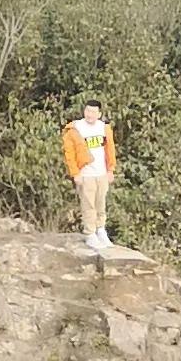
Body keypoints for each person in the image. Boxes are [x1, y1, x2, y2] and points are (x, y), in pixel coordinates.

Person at [62, 100, 117, 254]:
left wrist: (111, 169)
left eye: (93, 112)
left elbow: (110, 150)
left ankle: (101, 230)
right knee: (88, 205)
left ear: (99, 114)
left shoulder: (104, 129)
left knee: (101, 204)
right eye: (87, 111)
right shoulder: (75, 129)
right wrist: (75, 173)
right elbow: (69, 153)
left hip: (101, 173)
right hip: (85, 174)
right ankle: (90, 233)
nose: (90, 114)